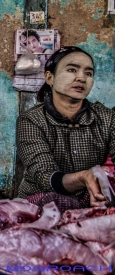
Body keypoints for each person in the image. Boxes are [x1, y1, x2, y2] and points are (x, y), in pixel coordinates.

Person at [16, 46, 115, 212]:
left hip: (90, 199)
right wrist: (83, 177)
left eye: (88, 73)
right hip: (40, 203)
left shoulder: (106, 118)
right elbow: (44, 175)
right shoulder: (31, 120)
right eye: (72, 70)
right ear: (50, 77)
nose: (81, 78)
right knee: (54, 202)